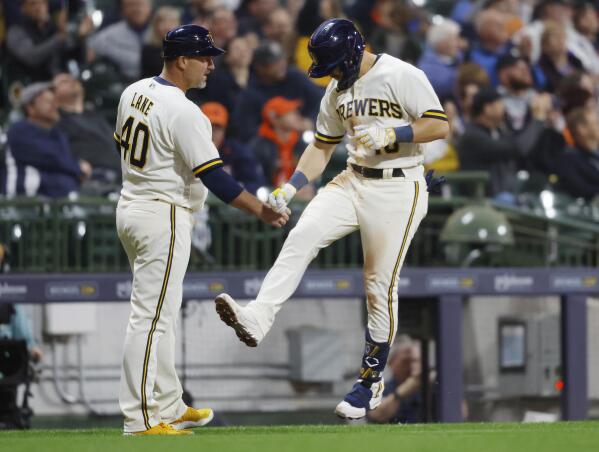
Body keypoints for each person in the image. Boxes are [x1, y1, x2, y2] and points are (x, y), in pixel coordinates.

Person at [214, 18, 448, 420]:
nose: (333, 74)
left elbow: (439, 124)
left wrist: (396, 133)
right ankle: (257, 317)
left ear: (354, 52)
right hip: (353, 177)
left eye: (336, 65)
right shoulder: (336, 91)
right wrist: (290, 187)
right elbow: (322, 146)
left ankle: (370, 381)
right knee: (301, 235)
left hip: (399, 185)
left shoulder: (401, 74)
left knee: (378, 284)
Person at [115, 24, 288, 436]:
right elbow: (218, 180)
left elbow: (119, 139)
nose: (211, 64)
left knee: (162, 315)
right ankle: (139, 418)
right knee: (150, 319)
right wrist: (261, 210)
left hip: (132, 206)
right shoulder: (184, 111)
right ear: (181, 60)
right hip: (163, 214)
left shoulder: (133, 90)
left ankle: (169, 404)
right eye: (204, 57)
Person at [6, 82, 89, 198]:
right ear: (31, 108)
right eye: (48, 102)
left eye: (55, 101)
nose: (55, 105)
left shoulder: (58, 134)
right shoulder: (20, 130)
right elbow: (50, 157)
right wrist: (77, 168)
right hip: (24, 204)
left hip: (58, 203)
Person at [53, 73, 121, 193]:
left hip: (122, 176)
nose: (72, 81)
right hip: (94, 180)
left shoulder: (96, 116)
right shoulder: (57, 122)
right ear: (53, 95)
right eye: (64, 82)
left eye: (72, 79)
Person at [201, 101, 266, 194]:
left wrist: (234, 188)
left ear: (225, 130)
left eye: (218, 128)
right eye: (209, 127)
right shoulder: (188, 150)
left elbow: (256, 184)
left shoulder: (237, 152)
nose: (213, 133)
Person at [249, 96, 309, 187]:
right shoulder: (258, 147)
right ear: (274, 118)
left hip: (298, 195)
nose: (297, 115)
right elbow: (255, 180)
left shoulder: (301, 143)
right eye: (290, 112)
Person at [88, 0, 153, 80]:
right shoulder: (107, 36)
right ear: (122, 10)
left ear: (150, 7)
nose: (137, 9)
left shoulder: (164, 31)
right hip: (123, 85)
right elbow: (89, 54)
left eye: (141, 4)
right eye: (131, 5)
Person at [367, 336, 423, 424]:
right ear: (391, 363)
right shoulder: (379, 390)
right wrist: (402, 392)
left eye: (415, 361)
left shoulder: (428, 387)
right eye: (406, 361)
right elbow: (375, 414)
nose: (411, 367)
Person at [556, 106, 599, 200]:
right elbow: (580, 189)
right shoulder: (569, 158)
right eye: (596, 123)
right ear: (581, 129)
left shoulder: (595, 155)